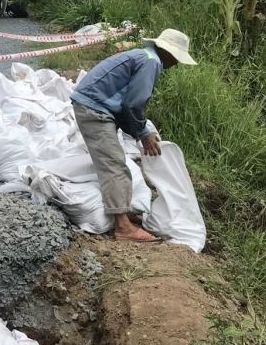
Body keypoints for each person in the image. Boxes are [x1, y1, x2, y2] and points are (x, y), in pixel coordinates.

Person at [70, 29, 197, 243]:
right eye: (176, 58)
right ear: (167, 52)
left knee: (117, 163)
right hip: (94, 109)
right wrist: (143, 133)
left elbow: (124, 105)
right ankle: (123, 228)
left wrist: (138, 132)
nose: (175, 64)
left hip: (94, 106)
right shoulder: (152, 62)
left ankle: (121, 212)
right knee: (114, 166)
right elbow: (133, 104)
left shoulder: (143, 55)